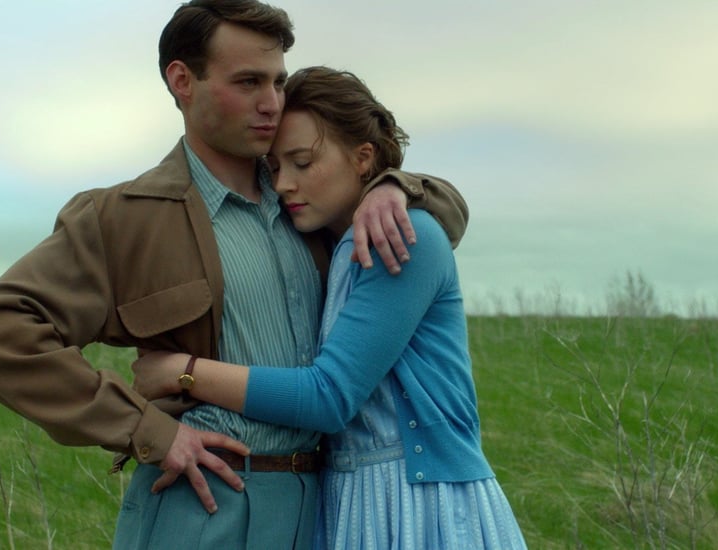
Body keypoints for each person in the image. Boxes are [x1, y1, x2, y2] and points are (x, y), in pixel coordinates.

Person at [0, 1, 468, 549]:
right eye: (248, 82)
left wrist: (396, 185)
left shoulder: (309, 200)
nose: (271, 103)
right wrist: (149, 431)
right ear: (182, 81)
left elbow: (433, 218)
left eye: (277, 81)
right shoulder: (124, 217)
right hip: (201, 506)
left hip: (324, 513)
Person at [132, 66, 526, 550]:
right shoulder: (323, 243)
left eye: (303, 162)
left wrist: (182, 371)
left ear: (363, 158)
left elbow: (329, 397)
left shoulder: (405, 235)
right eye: (275, 168)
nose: (283, 185)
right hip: (346, 501)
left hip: (421, 500)